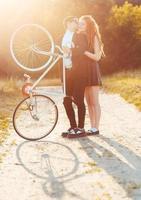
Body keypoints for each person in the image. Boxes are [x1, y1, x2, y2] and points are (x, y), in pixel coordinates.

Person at [61, 16, 89, 137]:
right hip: (66, 72)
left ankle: (81, 128)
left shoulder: (80, 36)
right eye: (75, 21)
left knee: (78, 99)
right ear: (68, 23)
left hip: (79, 72)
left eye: (78, 22)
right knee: (66, 100)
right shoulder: (61, 38)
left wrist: (70, 51)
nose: (77, 23)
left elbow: (82, 49)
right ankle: (73, 127)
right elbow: (59, 53)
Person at [79, 15, 105, 135]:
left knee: (94, 102)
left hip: (92, 71)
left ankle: (96, 127)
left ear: (88, 25)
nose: (80, 26)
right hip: (83, 72)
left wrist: (83, 51)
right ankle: (92, 126)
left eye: (82, 24)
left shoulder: (94, 37)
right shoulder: (81, 38)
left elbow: (97, 57)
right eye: (79, 23)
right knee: (88, 102)